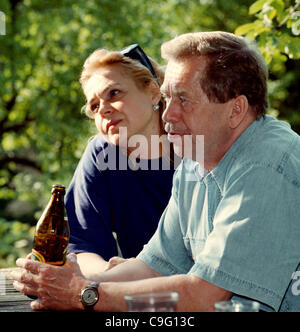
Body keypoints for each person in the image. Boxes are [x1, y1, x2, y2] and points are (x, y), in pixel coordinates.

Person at [11, 31, 300, 312]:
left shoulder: (265, 165)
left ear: (235, 109)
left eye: (183, 100)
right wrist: (64, 282)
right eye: (167, 98)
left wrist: (86, 294)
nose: (168, 114)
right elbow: (154, 265)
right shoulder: (195, 158)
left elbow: (207, 298)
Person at [54, 45, 176, 278]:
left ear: (153, 92)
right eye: (94, 106)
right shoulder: (103, 155)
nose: (103, 110)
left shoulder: (196, 146)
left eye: (114, 93)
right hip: (139, 296)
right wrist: (109, 272)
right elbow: (81, 246)